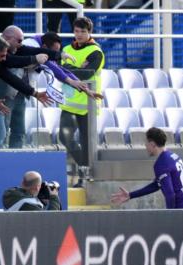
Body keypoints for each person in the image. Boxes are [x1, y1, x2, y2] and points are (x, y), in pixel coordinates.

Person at [60, 17, 105, 187]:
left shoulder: (96, 51)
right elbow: (62, 69)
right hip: (70, 103)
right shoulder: (66, 48)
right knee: (64, 137)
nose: (79, 35)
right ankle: (84, 168)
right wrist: (77, 69)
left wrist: (72, 69)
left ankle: (84, 177)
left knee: (87, 144)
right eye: (77, 31)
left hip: (88, 103)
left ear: (89, 32)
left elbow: (86, 74)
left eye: (83, 32)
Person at [111, 127, 183, 209]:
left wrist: (171, 215)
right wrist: (131, 195)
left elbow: (170, 194)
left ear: (152, 144)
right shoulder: (173, 156)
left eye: (146, 142)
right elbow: (157, 184)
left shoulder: (161, 163)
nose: (145, 145)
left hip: (182, 211)